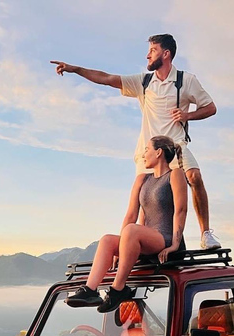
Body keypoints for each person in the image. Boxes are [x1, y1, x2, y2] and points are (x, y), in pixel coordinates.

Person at [51, 34, 221, 250]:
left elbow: (210, 108)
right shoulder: (143, 82)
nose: (147, 55)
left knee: (194, 176)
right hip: (148, 152)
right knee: (144, 200)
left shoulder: (186, 81)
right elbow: (106, 78)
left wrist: (187, 116)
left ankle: (206, 234)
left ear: (166, 54)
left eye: (153, 50)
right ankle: (138, 245)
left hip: (175, 146)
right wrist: (76, 69)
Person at [65, 135, 188, 312]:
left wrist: (175, 244)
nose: (144, 154)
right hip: (144, 238)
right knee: (107, 240)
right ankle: (90, 290)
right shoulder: (142, 179)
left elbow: (181, 210)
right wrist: (122, 248)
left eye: (147, 150)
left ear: (159, 152)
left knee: (131, 230)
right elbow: (131, 214)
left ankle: (118, 289)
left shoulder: (175, 174)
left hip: (166, 239)